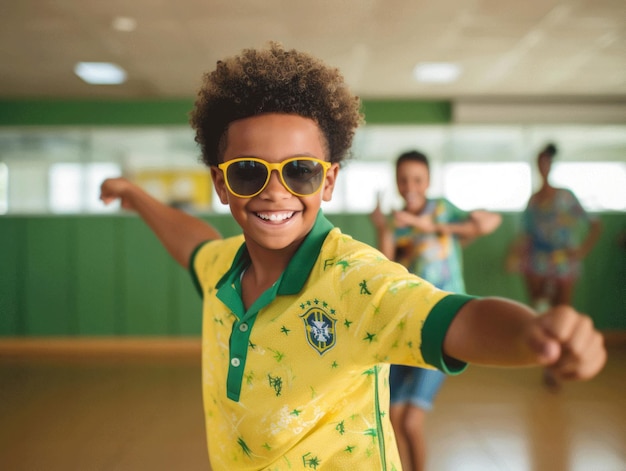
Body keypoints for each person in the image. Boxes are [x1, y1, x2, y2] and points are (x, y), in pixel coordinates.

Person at [100, 43, 606, 470]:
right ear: (221, 183)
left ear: (329, 181)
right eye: (250, 172)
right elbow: (193, 243)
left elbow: (453, 318)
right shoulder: (224, 268)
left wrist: (530, 334)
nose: (276, 192)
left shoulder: (356, 281)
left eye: (300, 171)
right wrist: (137, 196)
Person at [370, 150, 502, 471]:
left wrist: (431, 226)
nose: (410, 186)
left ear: (428, 181)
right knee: (392, 416)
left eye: (417, 179)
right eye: (403, 180)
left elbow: (488, 222)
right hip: (408, 326)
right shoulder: (398, 224)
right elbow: (390, 270)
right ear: (397, 183)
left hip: (442, 325)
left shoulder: (442, 210)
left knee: (411, 420)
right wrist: (383, 228)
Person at [511, 143, 603, 390]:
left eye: (546, 162)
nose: (542, 167)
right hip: (537, 260)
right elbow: (526, 235)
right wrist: (515, 256)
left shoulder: (565, 196)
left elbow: (595, 224)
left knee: (563, 314)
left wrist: (582, 250)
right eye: (538, 163)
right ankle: (546, 361)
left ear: (551, 165)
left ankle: (559, 365)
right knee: (541, 311)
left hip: (563, 260)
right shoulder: (533, 200)